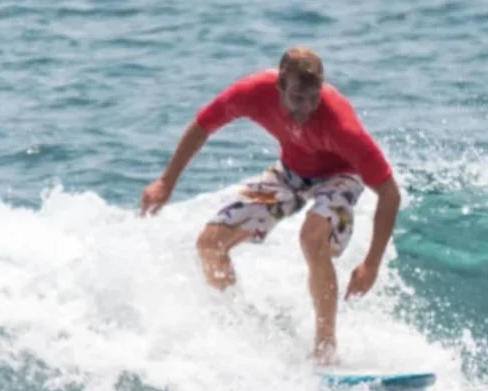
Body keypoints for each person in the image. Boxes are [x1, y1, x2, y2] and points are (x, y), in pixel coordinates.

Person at [138, 46, 404, 365]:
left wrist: (371, 264)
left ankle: (325, 349)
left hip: (340, 176)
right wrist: (167, 181)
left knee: (311, 237)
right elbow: (202, 125)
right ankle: (242, 334)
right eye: (297, 98)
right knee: (209, 245)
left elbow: (389, 193)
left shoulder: (341, 126)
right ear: (280, 86)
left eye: (313, 98)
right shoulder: (252, 92)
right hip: (290, 173)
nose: (306, 108)